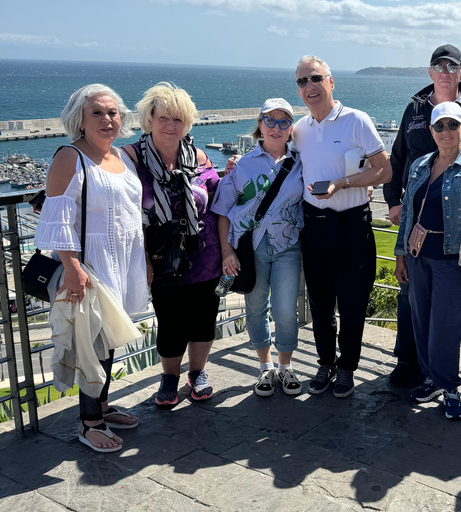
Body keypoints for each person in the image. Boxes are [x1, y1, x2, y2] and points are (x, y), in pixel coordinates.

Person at [35, 84, 147, 452]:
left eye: (113, 112)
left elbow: (133, 214)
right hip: (90, 265)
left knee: (108, 337)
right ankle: (89, 423)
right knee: (92, 341)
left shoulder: (121, 157)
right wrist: (72, 268)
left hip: (122, 259)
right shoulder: (71, 156)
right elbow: (58, 219)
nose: (107, 119)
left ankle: (101, 406)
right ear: (79, 120)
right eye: (97, 112)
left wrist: (142, 260)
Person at [384, 44, 461, 388]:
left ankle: (442, 380)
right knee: (414, 305)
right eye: (439, 66)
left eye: (452, 66)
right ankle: (410, 363)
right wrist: (393, 201)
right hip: (415, 229)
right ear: (430, 72)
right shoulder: (414, 110)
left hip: (454, 239)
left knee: (444, 315)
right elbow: (398, 155)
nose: (445, 131)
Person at [293, 56, 392, 398]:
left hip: (352, 224)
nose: (309, 87)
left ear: (331, 82)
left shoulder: (356, 121)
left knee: (351, 303)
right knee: (320, 303)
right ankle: (325, 364)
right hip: (315, 226)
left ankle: (347, 367)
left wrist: (344, 183)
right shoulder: (301, 129)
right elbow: (277, 156)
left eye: (315, 79)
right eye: (302, 82)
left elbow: (384, 170)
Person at [394, 102, 461, 420]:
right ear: (431, 132)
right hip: (417, 257)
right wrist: (400, 255)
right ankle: (433, 379)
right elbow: (408, 213)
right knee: (422, 323)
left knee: (446, 327)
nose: (446, 132)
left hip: (454, 261)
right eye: (440, 126)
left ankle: (450, 387)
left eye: (452, 125)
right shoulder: (421, 165)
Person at [123, 82, 221, 407]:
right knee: (170, 321)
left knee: (204, 318)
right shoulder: (131, 159)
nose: (170, 125)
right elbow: (96, 171)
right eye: (164, 117)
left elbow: (219, 199)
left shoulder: (201, 157)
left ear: (187, 123)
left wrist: (234, 173)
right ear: (149, 118)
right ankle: (169, 377)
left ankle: (198, 373)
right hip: (162, 257)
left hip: (205, 254)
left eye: (178, 120)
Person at [211, 98, 304, 397]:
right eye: (270, 120)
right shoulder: (241, 165)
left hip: (288, 245)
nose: (276, 127)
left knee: (286, 310)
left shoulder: (303, 162)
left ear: (291, 128)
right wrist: (227, 251)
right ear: (260, 125)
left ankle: (286, 365)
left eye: (284, 121)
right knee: (255, 307)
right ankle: (265, 368)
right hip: (250, 247)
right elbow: (222, 210)